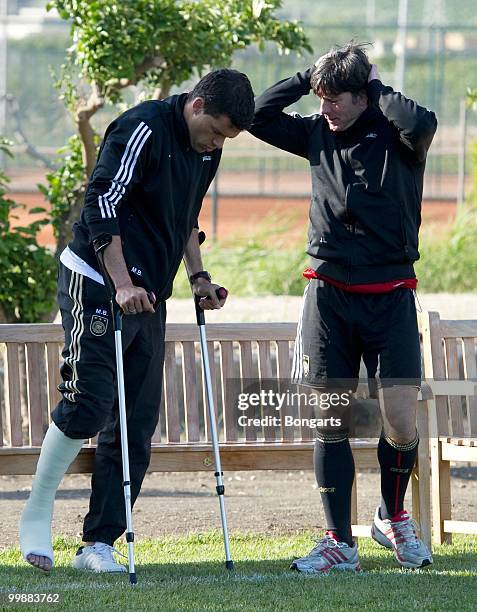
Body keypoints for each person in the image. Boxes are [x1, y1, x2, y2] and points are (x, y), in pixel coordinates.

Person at [19, 68, 255, 573]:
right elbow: (102, 204)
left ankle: (96, 544)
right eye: (214, 130)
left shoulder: (207, 150)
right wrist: (122, 283)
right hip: (97, 279)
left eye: (224, 138)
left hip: (147, 292)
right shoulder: (142, 127)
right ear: (195, 105)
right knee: (90, 401)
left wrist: (199, 277)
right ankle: (35, 514)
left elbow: (186, 217)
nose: (216, 143)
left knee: (137, 420)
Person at [249, 43, 437, 573]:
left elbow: (423, 121)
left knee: (400, 421)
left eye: (337, 99)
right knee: (331, 420)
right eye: (321, 96)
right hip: (328, 297)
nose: (326, 108)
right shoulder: (314, 131)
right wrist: (306, 77)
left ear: (364, 96)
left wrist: (375, 85)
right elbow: (257, 114)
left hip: (391, 296)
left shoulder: (399, 135)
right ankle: (339, 542)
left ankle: (394, 518)